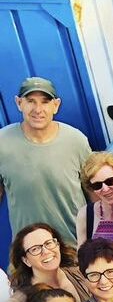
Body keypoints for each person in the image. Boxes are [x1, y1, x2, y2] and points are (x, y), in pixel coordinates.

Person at [0, 76, 91, 244]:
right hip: (29, 253)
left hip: (75, 248)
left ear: (56, 105)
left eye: (45, 102)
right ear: (19, 103)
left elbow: (94, 191)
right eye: (31, 101)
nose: (38, 109)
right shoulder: (2, 142)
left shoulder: (76, 140)